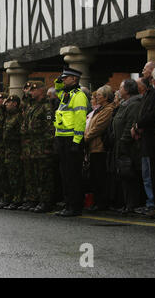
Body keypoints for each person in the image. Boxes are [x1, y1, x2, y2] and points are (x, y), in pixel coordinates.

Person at [53, 67, 88, 217]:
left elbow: (80, 120)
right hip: (62, 139)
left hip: (72, 140)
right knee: (65, 174)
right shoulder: (67, 95)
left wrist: (76, 141)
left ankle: (74, 206)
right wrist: (58, 80)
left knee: (73, 175)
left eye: (66, 77)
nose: (63, 80)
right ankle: (68, 204)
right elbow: (58, 90)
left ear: (74, 79)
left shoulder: (78, 96)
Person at [18, 82, 56, 213]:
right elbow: (25, 126)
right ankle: (33, 199)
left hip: (42, 147)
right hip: (31, 147)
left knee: (44, 176)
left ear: (41, 91)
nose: (31, 92)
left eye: (34, 90)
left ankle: (45, 201)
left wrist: (47, 146)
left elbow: (50, 128)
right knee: (32, 175)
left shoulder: (47, 107)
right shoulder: (31, 107)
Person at [132, 64, 155, 217]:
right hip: (148, 139)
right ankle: (154, 204)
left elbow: (152, 116)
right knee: (151, 175)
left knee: (154, 175)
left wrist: (139, 125)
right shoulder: (151, 93)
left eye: (145, 69)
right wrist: (136, 125)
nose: (142, 71)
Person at [111, 80, 144, 214]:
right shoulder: (125, 104)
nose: (118, 90)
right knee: (124, 175)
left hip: (128, 146)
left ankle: (132, 204)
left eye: (120, 87)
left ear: (127, 90)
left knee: (130, 175)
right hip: (120, 144)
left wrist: (124, 141)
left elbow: (130, 123)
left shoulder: (134, 104)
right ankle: (127, 203)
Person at [84, 85, 115, 211]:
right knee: (95, 177)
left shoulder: (107, 110)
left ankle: (102, 203)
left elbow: (98, 128)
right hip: (93, 147)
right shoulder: (100, 109)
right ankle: (97, 201)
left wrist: (85, 138)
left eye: (99, 95)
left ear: (106, 97)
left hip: (99, 147)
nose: (97, 97)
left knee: (100, 177)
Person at [0, 95, 23, 210]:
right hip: (6, 149)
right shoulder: (7, 116)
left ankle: (17, 199)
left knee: (15, 175)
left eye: (8, 102)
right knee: (5, 175)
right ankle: (7, 197)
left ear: (15, 103)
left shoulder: (18, 116)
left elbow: (21, 134)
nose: (6, 104)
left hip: (15, 149)